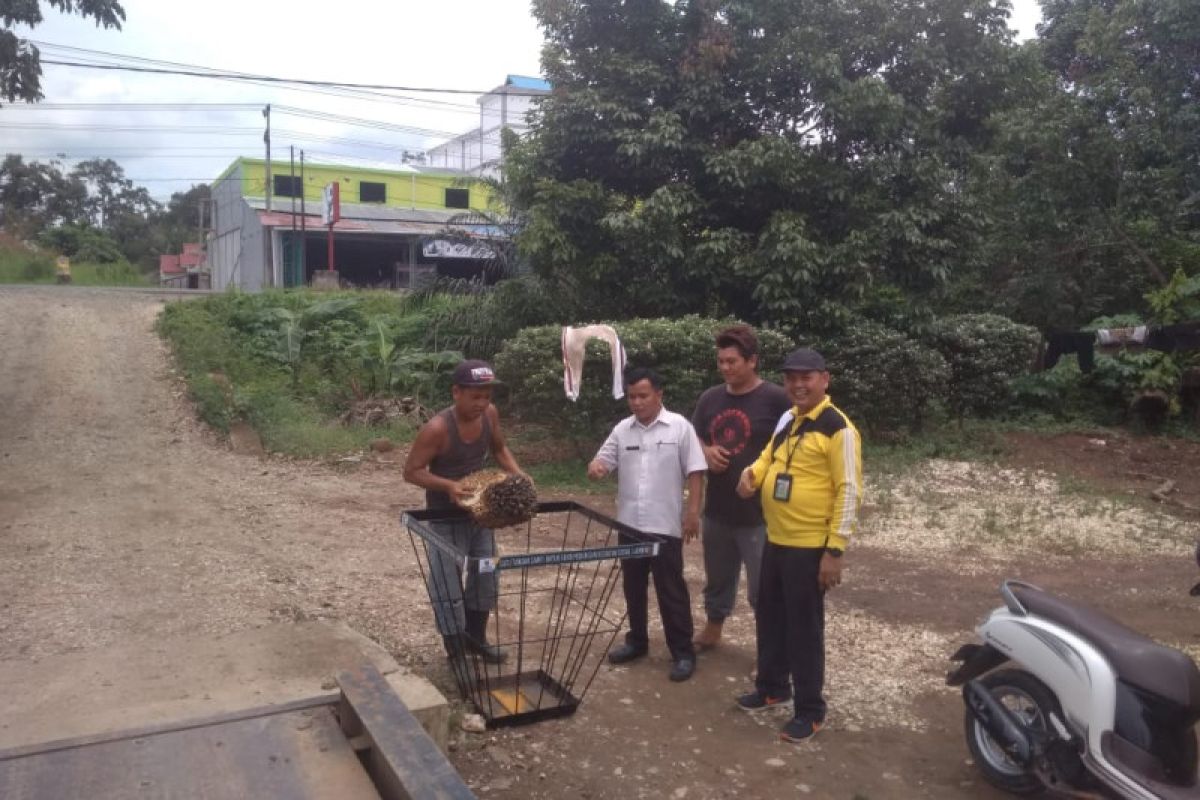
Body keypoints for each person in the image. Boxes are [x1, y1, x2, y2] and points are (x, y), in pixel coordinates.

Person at [734, 348, 862, 743]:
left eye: (807, 377)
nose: (798, 384)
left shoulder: (838, 428)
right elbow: (769, 456)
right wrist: (751, 475)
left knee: (804, 629)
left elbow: (849, 491)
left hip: (809, 546)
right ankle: (773, 687)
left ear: (825, 379)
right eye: (791, 377)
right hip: (776, 538)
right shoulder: (788, 418)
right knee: (770, 615)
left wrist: (834, 551)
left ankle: (810, 710)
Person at [588, 366, 707, 682]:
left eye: (643, 396)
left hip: (664, 526)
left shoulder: (679, 427)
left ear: (659, 395)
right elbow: (603, 461)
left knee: (671, 590)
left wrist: (692, 512)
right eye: (632, 397)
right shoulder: (622, 430)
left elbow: (696, 471)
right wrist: (597, 467)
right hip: (630, 525)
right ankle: (636, 641)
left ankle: (682, 652)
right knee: (633, 588)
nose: (637, 402)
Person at [403, 359, 526, 664]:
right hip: (444, 518)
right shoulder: (437, 429)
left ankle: (476, 639)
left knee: (487, 575)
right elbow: (411, 472)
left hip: (481, 513)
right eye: (475, 396)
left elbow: (498, 449)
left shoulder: (490, 416)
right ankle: (455, 652)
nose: (482, 403)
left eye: (487, 396)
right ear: (456, 392)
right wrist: (448, 486)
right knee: (447, 583)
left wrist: (517, 473)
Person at [691, 324, 791, 651]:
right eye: (721, 361)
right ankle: (713, 627)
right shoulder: (710, 398)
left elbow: (793, 445)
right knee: (718, 577)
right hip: (718, 509)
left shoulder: (776, 398)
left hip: (760, 514)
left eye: (732, 361)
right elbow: (694, 436)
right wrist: (705, 450)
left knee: (764, 586)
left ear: (752, 361)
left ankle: (769, 648)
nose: (725, 368)